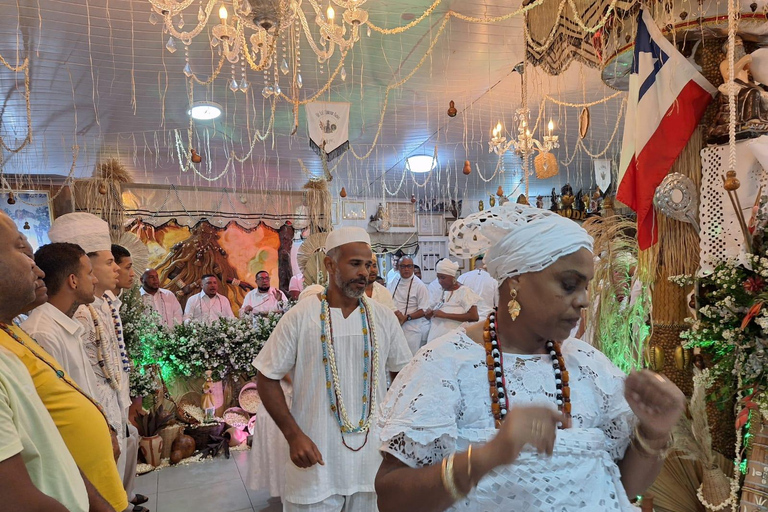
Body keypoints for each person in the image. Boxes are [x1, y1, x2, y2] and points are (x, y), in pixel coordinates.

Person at [375, 204, 686, 511]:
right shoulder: (444, 366)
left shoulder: (591, 366)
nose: (584, 301)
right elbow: (392, 500)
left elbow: (621, 487)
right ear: (517, 282)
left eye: (586, 286)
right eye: (569, 285)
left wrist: (654, 432)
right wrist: (486, 457)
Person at [254, 226, 412, 512]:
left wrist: (398, 436)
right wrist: (293, 435)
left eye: (368, 264)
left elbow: (404, 377)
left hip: (371, 460)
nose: (364, 272)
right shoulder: (300, 316)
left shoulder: (383, 317)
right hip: (316, 460)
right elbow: (266, 376)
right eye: (355, 264)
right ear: (329, 265)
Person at [0, 210, 123, 512]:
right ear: (72, 279)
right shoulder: (41, 331)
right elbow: (15, 495)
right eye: (20, 249)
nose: (36, 269)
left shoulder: (14, 333)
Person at [49, 213, 145, 512]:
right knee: (102, 475)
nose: (115, 269)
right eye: (108, 263)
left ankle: (123, 501)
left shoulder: (101, 304)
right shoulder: (73, 315)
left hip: (112, 395)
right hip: (96, 404)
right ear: (79, 272)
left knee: (117, 464)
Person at [424, 259, 480, 342]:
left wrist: (445, 315)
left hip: (454, 339)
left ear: (452, 277)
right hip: (436, 337)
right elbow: (430, 311)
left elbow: (474, 317)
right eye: (438, 277)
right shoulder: (439, 291)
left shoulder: (464, 291)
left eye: (443, 278)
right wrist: (428, 314)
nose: (440, 281)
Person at [387, 256, 430, 354]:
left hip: (411, 330)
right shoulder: (394, 280)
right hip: (394, 326)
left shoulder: (420, 285)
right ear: (398, 267)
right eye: (403, 266)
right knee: (394, 357)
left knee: (409, 358)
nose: (406, 269)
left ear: (412, 267)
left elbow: (424, 310)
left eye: (409, 266)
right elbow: (388, 299)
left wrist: (406, 318)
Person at [457, 255, 498, 320]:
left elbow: (457, 300)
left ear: (474, 266)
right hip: (487, 318)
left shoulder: (462, 277)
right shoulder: (493, 279)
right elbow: (498, 303)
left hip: (467, 318)